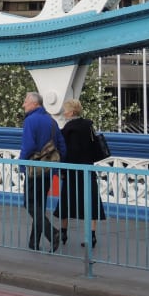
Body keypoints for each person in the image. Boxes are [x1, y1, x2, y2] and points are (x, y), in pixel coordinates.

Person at [18, 91, 66, 251]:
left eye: (25, 102)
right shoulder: (51, 121)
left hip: (34, 168)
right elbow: (61, 146)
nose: (23, 104)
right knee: (39, 205)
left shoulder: (30, 120)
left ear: (34, 103)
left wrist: (21, 164)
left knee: (30, 204)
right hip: (48, 169)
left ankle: (52, 233)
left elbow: (29, 146)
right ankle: (33, 243)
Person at [55, 99, 106, 248]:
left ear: (71, 112)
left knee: (66, 200)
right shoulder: (88, 125)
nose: (64, 113)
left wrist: (62, 170)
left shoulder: (67, 129)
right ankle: (92, 235)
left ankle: (63, 232)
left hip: (72, 170)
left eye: (66, 110)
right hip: (87, 167)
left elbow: (66, 152)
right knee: (91, 201)